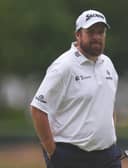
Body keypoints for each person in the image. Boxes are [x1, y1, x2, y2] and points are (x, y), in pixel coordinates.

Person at [30, 9, 122, 168]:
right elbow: (38, 109)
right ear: (78, 35)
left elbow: (109, 106)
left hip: (107, 155)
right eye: (91, 32)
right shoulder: (64, 67)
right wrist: (52, 152)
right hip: (71, 156)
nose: (97, 37)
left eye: (101, 32)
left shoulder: (107, 64)